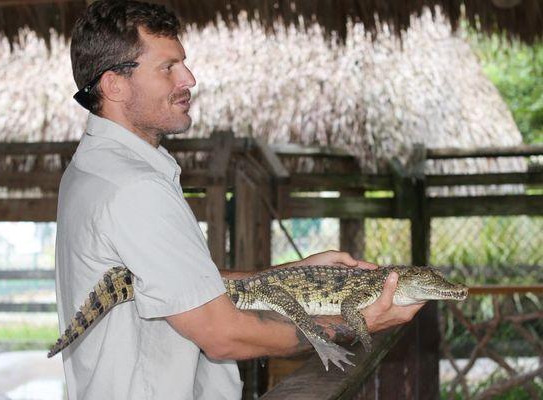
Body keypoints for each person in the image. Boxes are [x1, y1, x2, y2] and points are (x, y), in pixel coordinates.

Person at [54, 1, 425, 399]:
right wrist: (358, 320)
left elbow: (177, 286)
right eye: (168, 68)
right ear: (115, 85)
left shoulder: (94, 169)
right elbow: (224, 334)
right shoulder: (134, 186)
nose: (189, 79)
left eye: (184, 63)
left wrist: (291, 274)